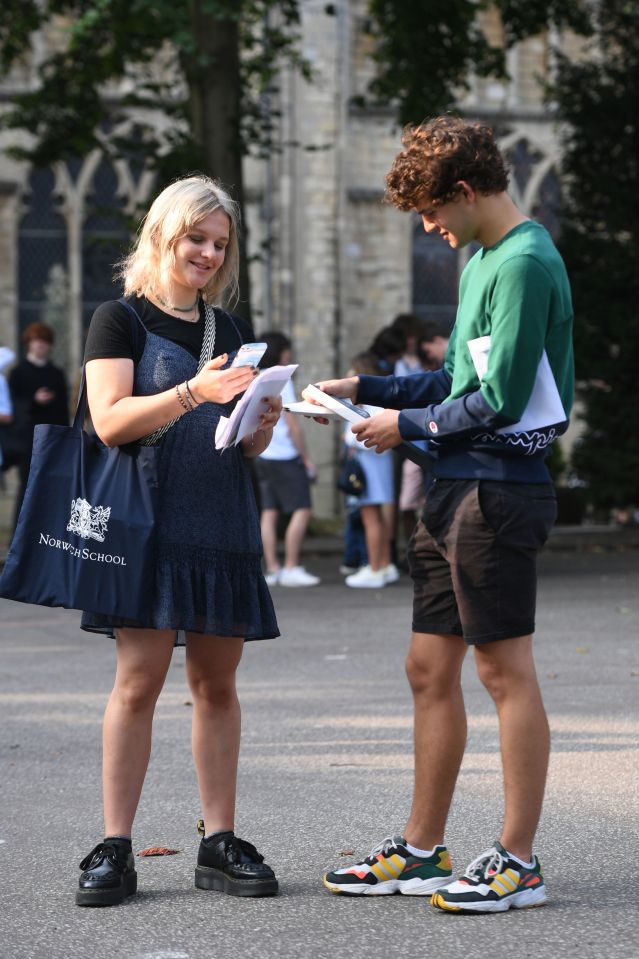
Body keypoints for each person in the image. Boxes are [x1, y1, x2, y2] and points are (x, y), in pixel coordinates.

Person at [319, 116, 574, 913]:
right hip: (452, 489)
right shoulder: (481, 265)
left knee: (503, 672)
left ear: (463, 192)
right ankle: (424, 851)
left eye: (432, 212)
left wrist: (404, 429)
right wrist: (364, 391)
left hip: (496, 492)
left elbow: (497, 400)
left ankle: (518, 861)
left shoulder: (525, 261)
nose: (429, 228)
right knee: (427, 670)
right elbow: (451, 384)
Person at [76, 175, 283, 907]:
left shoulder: (226, 330)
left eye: (219, 244)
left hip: (218, 521)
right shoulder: (119, 319)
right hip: (147, 527)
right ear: (165, 231)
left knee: (216, 686)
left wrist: (259, 423)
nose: (207, 253)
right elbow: (109, 421)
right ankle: (115, 844)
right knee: (137, 684)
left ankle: (219, 840)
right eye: (197, 237)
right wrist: (197, 390)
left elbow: (236, 442)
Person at [256, 331, 320, 587]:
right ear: (281, 352)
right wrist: (306, 458)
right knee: (303, 508)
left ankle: (273, 568)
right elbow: (292, 424)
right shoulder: (282, 378)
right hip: (284, 454)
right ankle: (291, 566)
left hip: (263, 453)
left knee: (269, 511)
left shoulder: (257, 377)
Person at [341, 351, 399, 589]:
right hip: (379, 462)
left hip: (368, 462)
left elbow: (355, 435)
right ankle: (384, 564)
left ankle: (374, 568)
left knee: (370, 516)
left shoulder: (368, 401)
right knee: (378, 516)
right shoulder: (380, 397)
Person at [8, 323, 69, 526]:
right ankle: (20, 534)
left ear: (49, 345)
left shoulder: (56, 374)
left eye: (43, 342)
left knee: (52, 486)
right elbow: (12, 408)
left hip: (53, 438)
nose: (40, 346)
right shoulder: (18, 373)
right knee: (27, 485)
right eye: (36, 341)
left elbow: (63, 408)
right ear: (28, 344)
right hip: (27, 439)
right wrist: (34, 401)